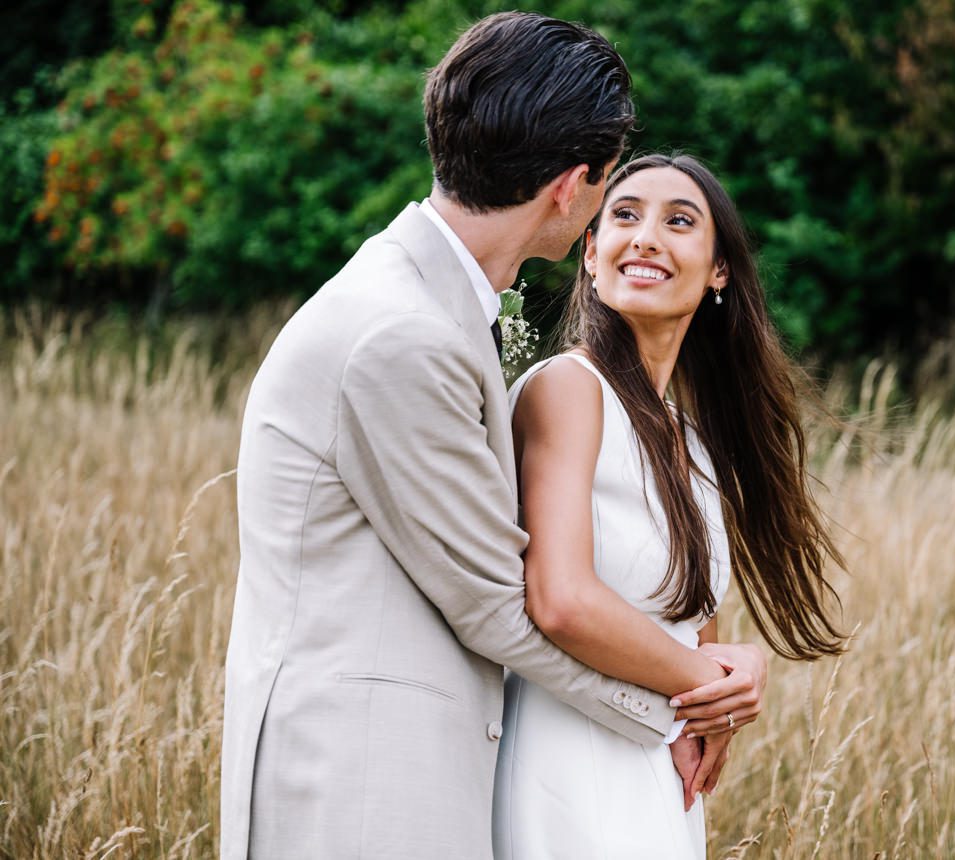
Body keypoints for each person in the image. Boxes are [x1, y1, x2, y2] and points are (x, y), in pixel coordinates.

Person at [219, 16, 760, 859]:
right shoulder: (402, 333)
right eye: (615, 192)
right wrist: (695, 696)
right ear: (572, 188)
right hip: (355, 784)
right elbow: (502, 603)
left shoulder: (436, 308)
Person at [493, 153, 847, 859]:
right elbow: (559, 598)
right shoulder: (568, 388)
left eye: (679, 222)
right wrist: (724, 681)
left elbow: (691, 619)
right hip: (567, 765)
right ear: (591, 255)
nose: (647, 236)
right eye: (623, 216)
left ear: (719, 270)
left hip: (656, 767)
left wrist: (732, 670)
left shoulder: (694, 442)